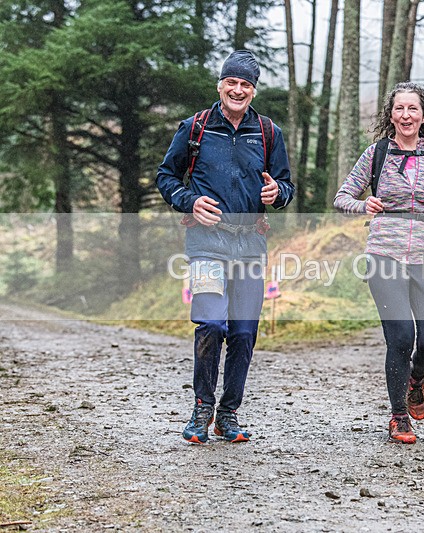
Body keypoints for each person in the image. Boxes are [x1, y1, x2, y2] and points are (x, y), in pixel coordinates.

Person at [156, 50, 294, 444]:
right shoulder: (195, 127)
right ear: (220, 85)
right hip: (205, 243)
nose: (238, 90)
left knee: (244, 332)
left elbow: (286, 186)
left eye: (245, 85)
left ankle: (228, 414)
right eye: (231, 82)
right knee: (212, 323)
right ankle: (202, 407)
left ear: (253, 91)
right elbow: (166, 176)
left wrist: (277, 192)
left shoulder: (268, 132)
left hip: (250, 245)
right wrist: (188, 201)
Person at [334, 82, 424, 444]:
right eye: (399, 109)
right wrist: (364, 205)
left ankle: (415, 379)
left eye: (413, 109)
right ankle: (399, 417)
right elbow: (342, 196)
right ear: (390, 115)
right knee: (401, 337)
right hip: (384, 255)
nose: (406, 115)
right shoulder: (376, 153)